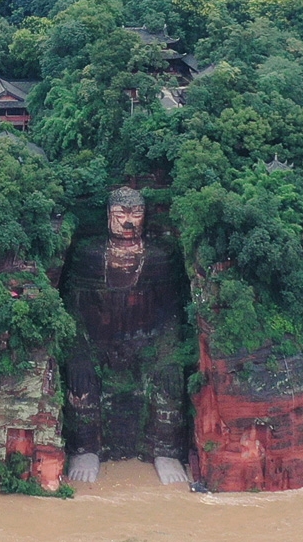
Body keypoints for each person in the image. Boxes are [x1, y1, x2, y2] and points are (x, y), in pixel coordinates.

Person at [64, 187, 188, 484]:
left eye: (135, 214)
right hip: (97, 344)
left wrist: (167, 352)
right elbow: (73, 309)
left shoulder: (160, 257)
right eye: (120, 214)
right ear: (109, 216)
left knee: (170, 381)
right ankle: (86, 448)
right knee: (81, 382)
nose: (128, 222)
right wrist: (79, 353)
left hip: (148, 342)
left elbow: (173, 312)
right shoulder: (88, 256)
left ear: (146, 217)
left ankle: (165, 451)